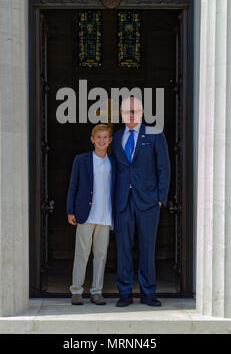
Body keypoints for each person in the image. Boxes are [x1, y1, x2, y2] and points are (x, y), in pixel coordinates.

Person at [111, 96, 171, 307]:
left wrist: (160, 198)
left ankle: (148, 293)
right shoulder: (116, 137)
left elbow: (164, 168)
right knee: (123, 249)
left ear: (143, 112)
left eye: (135, 111)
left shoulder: (155, 135)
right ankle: (125, 293)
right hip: (122, 202)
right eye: (127, 111)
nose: (131, 115)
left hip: (148, 202)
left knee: (147, 248)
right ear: (121, 114)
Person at [66, 123, 116, 306]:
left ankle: (96, 291)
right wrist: (70, 210)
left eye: (105, 137)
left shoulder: (113, 162)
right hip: (85, 214)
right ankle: (77, 291)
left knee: (101, 255)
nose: (102, 141)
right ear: (92, 140)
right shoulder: (82, 160)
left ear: (110, 140)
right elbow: (73, 186)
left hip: (105, 215)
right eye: (98, 137)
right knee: (82, 254)